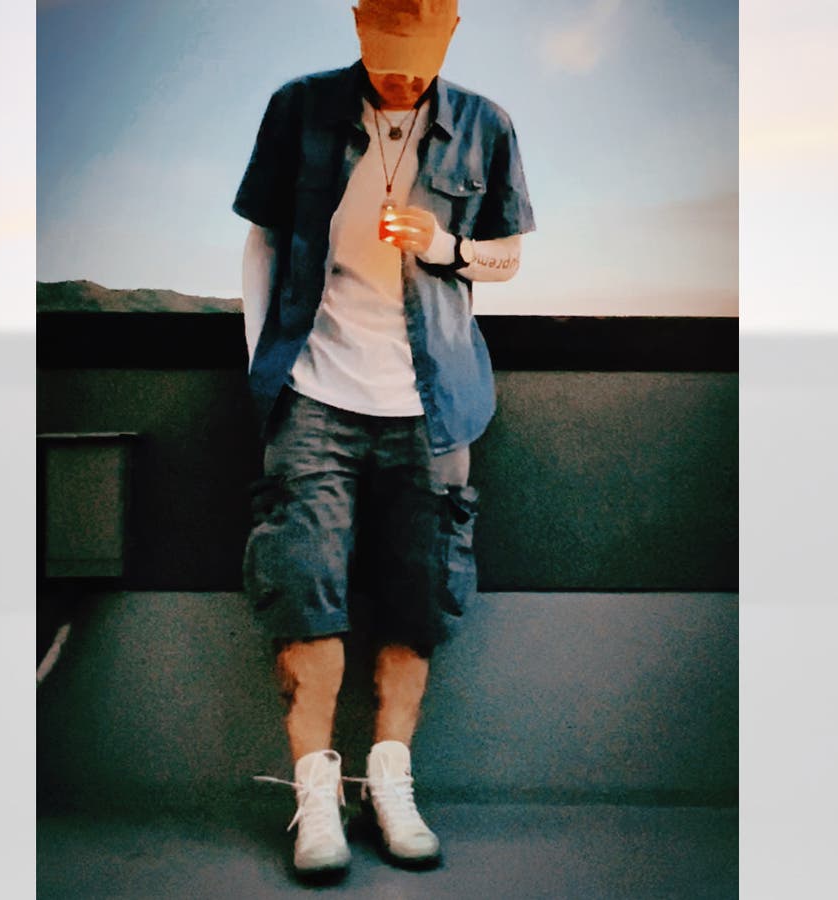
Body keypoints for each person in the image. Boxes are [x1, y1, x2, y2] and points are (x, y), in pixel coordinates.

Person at [232, 0, 534, 876]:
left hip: (434, 406)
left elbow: (508, 255)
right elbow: (262, 241)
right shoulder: (299, 108)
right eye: (385, 56)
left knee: (419, 592)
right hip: (313, 396)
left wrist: (445, 245)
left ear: (450, 35)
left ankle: (390, 785)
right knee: (303, 586)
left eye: (416, 60)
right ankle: (316, 799)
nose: (399, 78)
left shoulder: (485, 124)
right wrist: (268, 374)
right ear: (359, 26)